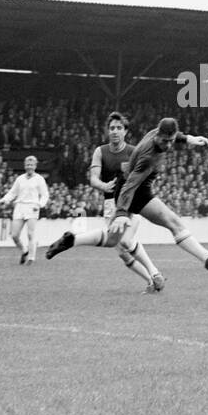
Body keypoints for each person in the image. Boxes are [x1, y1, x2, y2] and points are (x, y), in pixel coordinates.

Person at [47, 117, 208, 275]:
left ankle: (72, 240)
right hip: (133, 192)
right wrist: (121, 213)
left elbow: (176, 136)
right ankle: (207, 258)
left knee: (113, 240)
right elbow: (130, 185)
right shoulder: (148, 157)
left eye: (171, 141)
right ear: (157, 135)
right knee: (174, 223)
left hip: (136, 189)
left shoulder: (156, 133)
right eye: (165, 141)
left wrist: (189, 138)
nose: (168, 145)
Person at [42, 112, 166, 292]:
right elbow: (93, 179)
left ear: (125, 131)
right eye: (112, 128)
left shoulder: (134, 152)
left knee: (123, 242)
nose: (115, 131)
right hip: (110, 205)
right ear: (108, 131)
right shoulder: (100, 151)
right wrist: (103, 186)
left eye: (119, 128)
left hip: (130, 202)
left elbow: (148, 171)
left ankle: (154, 275)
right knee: (123, 251)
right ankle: (152, 280)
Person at [0, 155, 49, 264]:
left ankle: (31, 258)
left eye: (31, 165)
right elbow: (13, 192)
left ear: (35, 166)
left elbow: (45, 195)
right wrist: (4, 199)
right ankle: (24, 250)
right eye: (27, 165)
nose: (29, 167)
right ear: (24, 166)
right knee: (14, 235)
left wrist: (40, 205)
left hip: (33, 207)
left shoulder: (39, 179)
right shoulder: (20, 178)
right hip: (20, 207)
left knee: (30, 234)